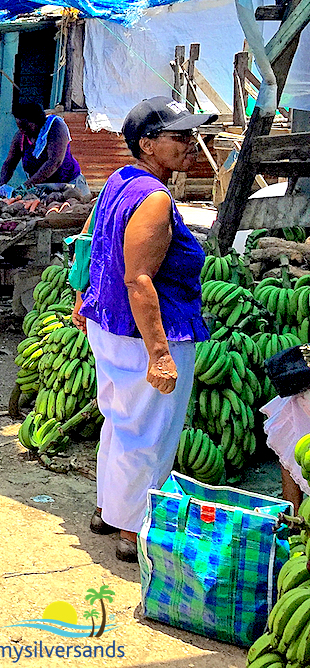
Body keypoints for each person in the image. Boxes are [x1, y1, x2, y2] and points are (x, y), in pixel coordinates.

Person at [73, 96, 214, 563]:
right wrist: (160, 354)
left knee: (119, 420)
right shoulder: (155, 199)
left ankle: (107, 509)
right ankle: (134, 530)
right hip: (148, 333)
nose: (192, 144)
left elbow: (92, 240)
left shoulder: (118, 180)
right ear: (149, 144)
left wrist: (83, 294)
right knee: (149, 434)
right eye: (181, 136)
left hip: (109, 325)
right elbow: (139, 279)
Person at [0, 102, 85, 190]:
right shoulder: (21, 136)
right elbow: (10, 163)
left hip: (69, 185)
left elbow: (55, 161)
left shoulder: (55, 127)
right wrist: (1, 184)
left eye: (25, 126)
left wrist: (27, 185)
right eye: (19, 127)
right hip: (42, 187)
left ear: (36, 121)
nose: (22, 130)